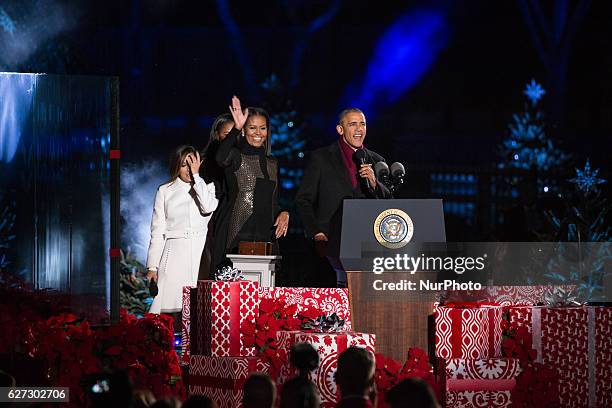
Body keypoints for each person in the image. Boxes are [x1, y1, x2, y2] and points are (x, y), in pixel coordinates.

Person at [296, 108, 391, 287]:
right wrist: (316, 232)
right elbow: (303, 199)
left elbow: (389, 204)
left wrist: (374, 183)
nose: (359, 129)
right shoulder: (321, 158)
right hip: (329, 246)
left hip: (367, 248)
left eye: (362, 124)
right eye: (352, 124)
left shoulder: (378, 161)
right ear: (340, 129)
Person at [211, 96, 289, 271]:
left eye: (262, 128)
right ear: (244, 131)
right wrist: (235, 128)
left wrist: (284, 212)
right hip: (235, 236)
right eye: (252, 128)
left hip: (265, 239)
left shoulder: (272, 163)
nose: (258, 133)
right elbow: (220, 158)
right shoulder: (236, 156)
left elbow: (272, 202)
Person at [146, 145, 219, 314]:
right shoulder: (165, 190)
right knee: (171, 309)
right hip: (173, 255)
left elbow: (208, 207)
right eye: (184, 165)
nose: (188, 169)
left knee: (198, 310)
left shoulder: (208, 187)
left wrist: (197, 177)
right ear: (177, 166)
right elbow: (157, 231)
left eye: (192, 164)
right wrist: (152, 266)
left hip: (200, 253)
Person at [199, 113, 235, 279]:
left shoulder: (242, 159)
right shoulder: (207, 162)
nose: (231, 138)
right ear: (217, 135)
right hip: (212, 217)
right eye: (226, 134)